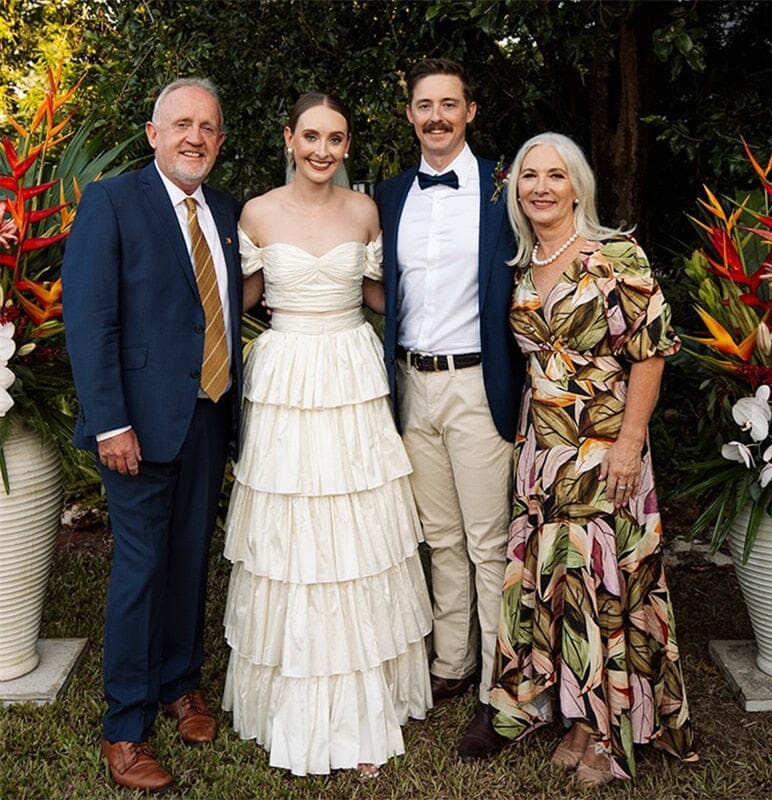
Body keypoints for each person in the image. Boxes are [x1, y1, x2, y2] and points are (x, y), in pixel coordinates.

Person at [221, 92, 432, 778]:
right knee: (292, 526)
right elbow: (239, 297)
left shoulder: (365, 211)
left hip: (349, 368)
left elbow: (381, 297)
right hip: (285, 373)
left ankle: (362, 699)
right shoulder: (255, 212)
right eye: (310, 136)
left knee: (354, 527)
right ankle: (288, 695)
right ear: (289, 137)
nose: (321, 150)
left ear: (347, 146)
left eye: (335, 139)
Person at [489, 132, 697, 786]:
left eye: (555, 175)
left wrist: (632, 440)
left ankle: (608, 735)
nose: (542, 187)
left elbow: (653, 350)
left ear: (578, 186)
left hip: (604, 445)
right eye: (530, 177)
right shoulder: (525, 266)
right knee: (561, 586)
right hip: (543, 451)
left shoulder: (615, 256)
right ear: (516, 191)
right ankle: (579, 718)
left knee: (603, 583)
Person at [62, 78, 243, 793]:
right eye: (182, 124)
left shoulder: (224, 211)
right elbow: (90, 322)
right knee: (140, 571)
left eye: (208, 127)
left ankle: (180, 685)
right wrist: (111, 421)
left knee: (191, 558)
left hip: (207, 415)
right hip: (133, 426)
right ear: (153, 133)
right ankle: (126, 728)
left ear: (220, 142)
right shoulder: (113, 203)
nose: (195, 136)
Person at [375, 58, 524, 762]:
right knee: (438, 535)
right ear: (410, 114)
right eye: (423, 105)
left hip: (477, 385)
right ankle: (453, 662)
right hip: (412, 384)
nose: (435, 115)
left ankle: (502, 689)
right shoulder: (391, 192)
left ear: (469, 111)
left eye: (448, 104)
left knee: (488, 541)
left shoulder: (504, 187)